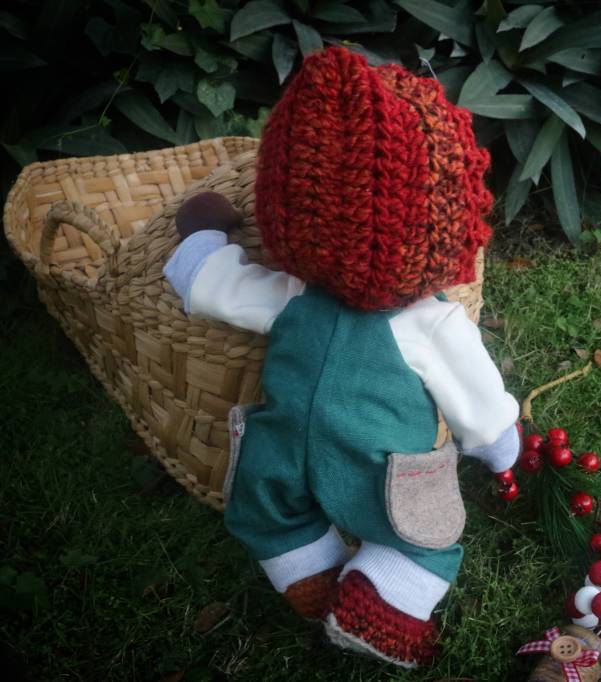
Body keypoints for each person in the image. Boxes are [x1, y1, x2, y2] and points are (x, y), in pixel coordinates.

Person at [162, 46, 520, 669]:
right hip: (379, 472)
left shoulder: (289, 295)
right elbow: (482, 409)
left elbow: (206, 282)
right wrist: (503, 450)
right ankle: (381, 601)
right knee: (422, 537)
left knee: (268, 514)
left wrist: (203, 233)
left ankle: (309, 574)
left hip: (278, 456)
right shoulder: (431, 322)